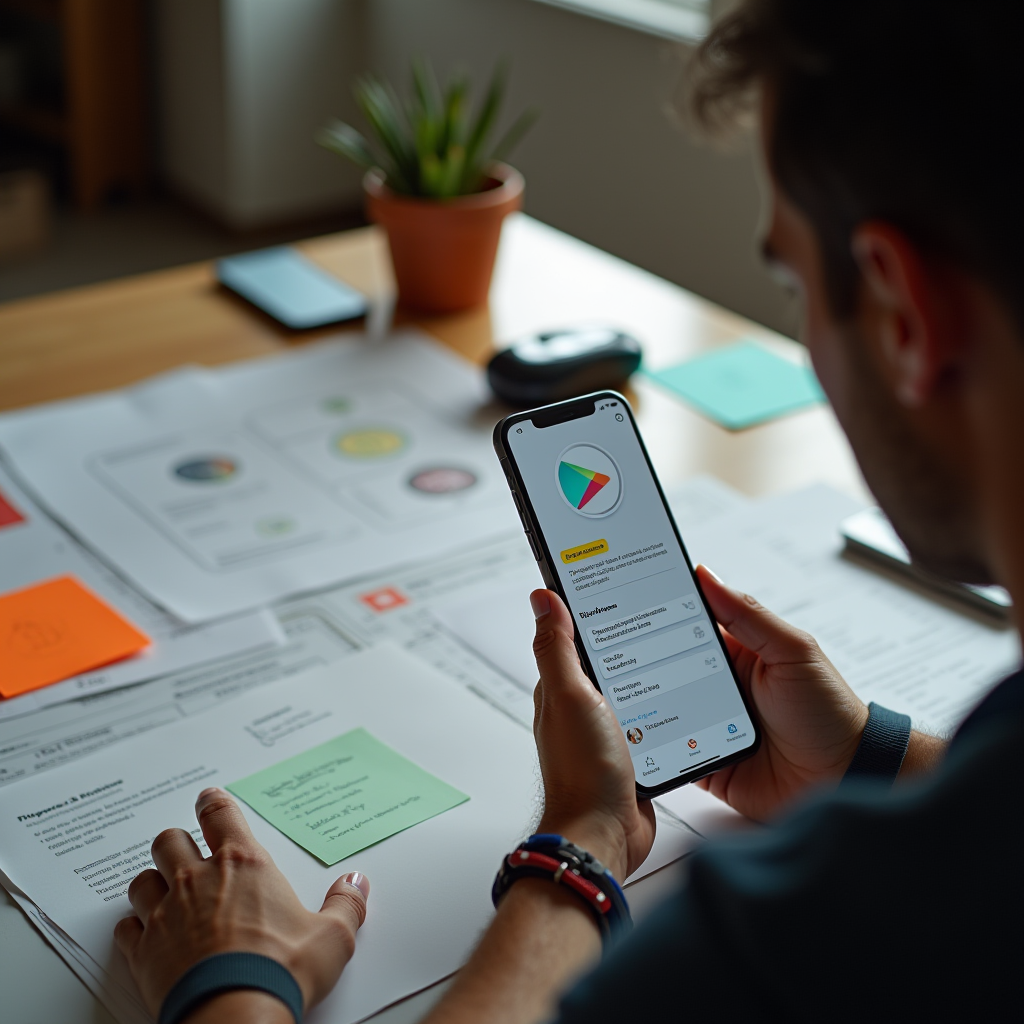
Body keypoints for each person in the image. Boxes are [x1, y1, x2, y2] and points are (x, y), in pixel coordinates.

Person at [114, 1, 1023, 1021]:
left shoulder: (789, 946)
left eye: (791, 283)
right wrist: (866, 755)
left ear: (902, 313)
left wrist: (230, 983)